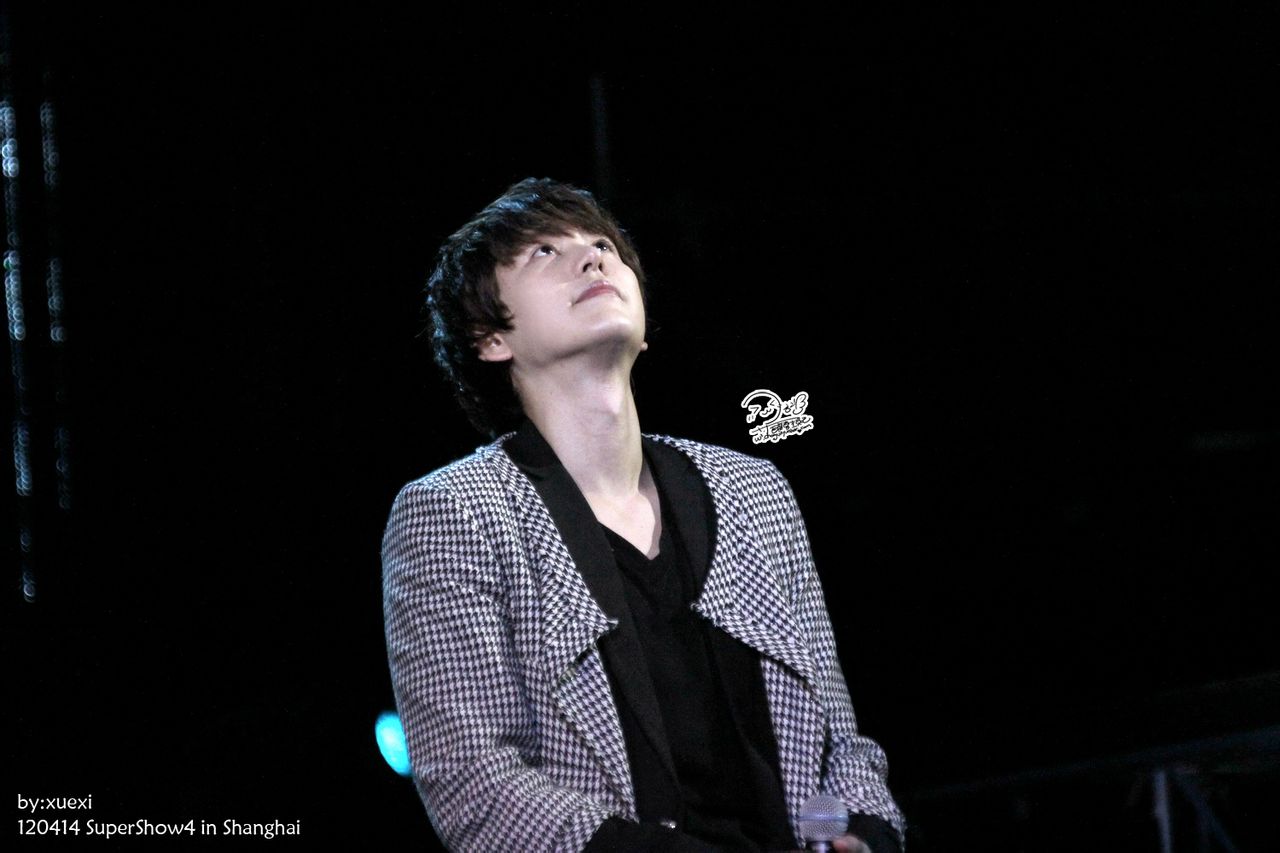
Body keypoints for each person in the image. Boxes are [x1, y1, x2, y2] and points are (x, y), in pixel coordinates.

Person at [382, 178, 905, 852]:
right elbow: (475, 787)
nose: (592, 258)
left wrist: (862, 831)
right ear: (488, 338)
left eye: (603, 245)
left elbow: (838, 740)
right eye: (544, 252)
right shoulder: (455, 511)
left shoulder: (754, 489)